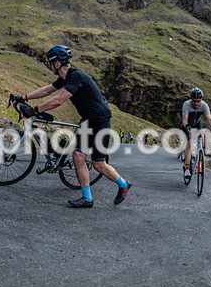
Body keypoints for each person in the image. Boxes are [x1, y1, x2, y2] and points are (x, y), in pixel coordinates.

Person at [16, 45, 132, 208]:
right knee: (78, 156)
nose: (48, 65)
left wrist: (34, 110)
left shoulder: (76, 76)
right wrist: (23, 97)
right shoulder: (65, 77)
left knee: (98, 164)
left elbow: (58, 100)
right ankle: (87, 198)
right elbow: (48, 90)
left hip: (100, 120)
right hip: (88, 119)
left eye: (50, 62)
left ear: (57, 63)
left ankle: (123, 184)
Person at [181, 87, 211, 179]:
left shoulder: (204, 105)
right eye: (194, 101)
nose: (196, 103)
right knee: (189, 144)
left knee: (202, 141)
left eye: (198, 101)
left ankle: (196, 156)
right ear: (191, 99)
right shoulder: (186, 104)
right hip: (188, 124)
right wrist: (187, 126)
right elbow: (184, 120)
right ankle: (187, 168)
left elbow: (209, 118)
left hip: (197, 124)